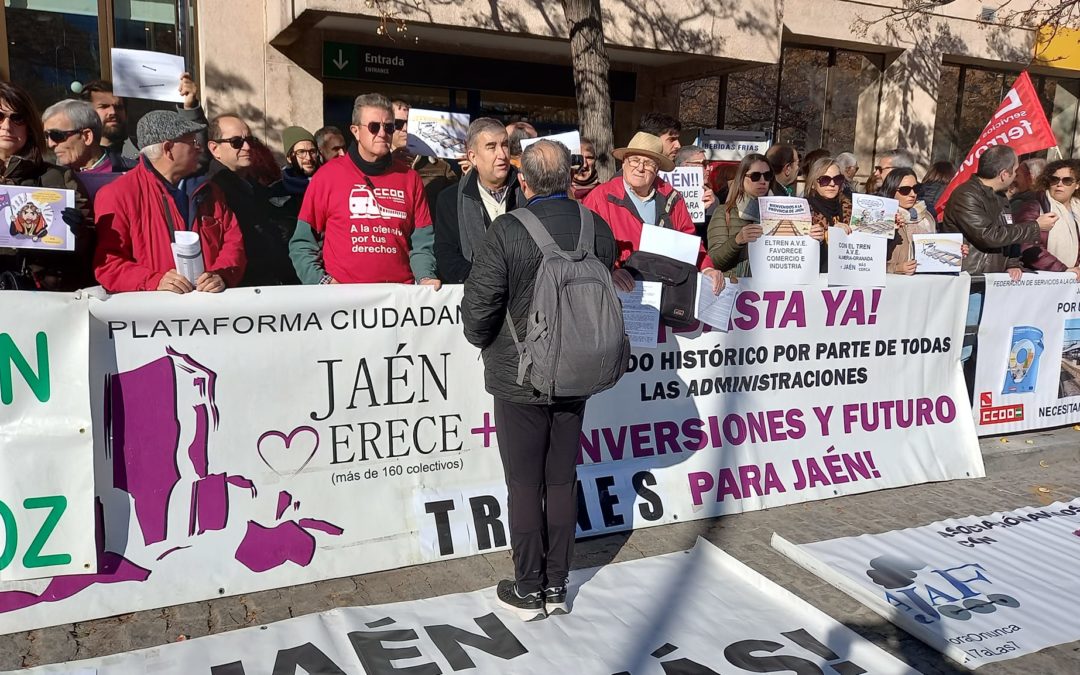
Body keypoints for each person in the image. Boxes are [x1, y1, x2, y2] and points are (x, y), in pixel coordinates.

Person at [461, 140, 618, 621]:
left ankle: (529, 588)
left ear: (522, 182)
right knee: (562, 479)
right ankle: (558, 585)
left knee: (525, 484)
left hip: (519, 378)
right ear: (571, 179)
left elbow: (477, 314)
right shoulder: (597, 227)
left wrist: (490, 342)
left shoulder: (507, 230)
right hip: (578, 373)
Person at [290, 93, 439, 287]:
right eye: (374, 127)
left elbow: (423, 242)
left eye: (389, 127)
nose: (382, 133)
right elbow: (302, 243)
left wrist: (425, 276)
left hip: (398, 299)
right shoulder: (326, 177)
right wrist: (322, 282)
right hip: (343, 301)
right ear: (355, 131)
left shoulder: (411, 179)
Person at [93, 110, 246, 293]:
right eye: (192, 142)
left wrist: (221, 275)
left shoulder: (210, 191)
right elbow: (109, 264)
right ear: (168, 149)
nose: (199, 148)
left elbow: (233, 241)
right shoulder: (117, 195)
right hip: (154, 316)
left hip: (210, 312)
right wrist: (153, 281)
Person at [582, 132, 724, 294]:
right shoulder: (601, 197)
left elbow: (689, 242)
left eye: (648, 163)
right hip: (616, 293)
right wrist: (609, 271)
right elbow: (586, 248)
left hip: (664, 293)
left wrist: (707, 269)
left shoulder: (672, 197)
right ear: (624, 162)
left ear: (657, 168)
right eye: (635, 160)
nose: (640, 168)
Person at [0, 82, 91, 291]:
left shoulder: (57, 177)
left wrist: (78, 232)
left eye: (17, 118)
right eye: (0, 116)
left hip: (40, 299)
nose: (6, 126)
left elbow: (88, 250)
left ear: (28, 126)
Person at [206, 114, 297, 286]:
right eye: (236, 142)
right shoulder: (211, 191)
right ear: (214, 148)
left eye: (250, 140)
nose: (247, 147)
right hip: (239, 291)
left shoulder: (254, 186)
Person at [941, 145, 1057, 279]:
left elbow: (1009, 230)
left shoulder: (1000, 196)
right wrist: (1035, 226)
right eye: (1015, 170)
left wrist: (1013, 262)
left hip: (994, 279)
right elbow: (988, 235)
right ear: (1004, 175)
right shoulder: (966, 195)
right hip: (970, 277)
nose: (1015, 175)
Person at [434, 117, 525, 283]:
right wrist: (486, 281)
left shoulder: (528, 190)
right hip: (475, 297)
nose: (502, 154)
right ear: (473, 156)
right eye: (491, 147)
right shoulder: (450, 199)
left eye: (505, 145)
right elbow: (446, 256)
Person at [706, 153, 772, 274]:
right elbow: (713, 261)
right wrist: (737, 240)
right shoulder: (724, 212)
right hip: (735, 287)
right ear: (742, 178)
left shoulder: (779, 212)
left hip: (769, 288)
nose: (763, 181)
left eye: (767, 176)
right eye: (755, 176)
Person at [1015, 159, 1080, 277]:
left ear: (1077, 185)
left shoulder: (1078, 209)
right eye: (1055, 179)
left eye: (1067, 180)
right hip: (1042, 280)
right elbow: (1027, 246)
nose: (1059, 184)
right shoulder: (1034, 206)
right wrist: (1062, 270)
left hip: (1073, 281)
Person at [390, 100, 458, 208]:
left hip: (428, 224)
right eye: (397, 124)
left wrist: (469, 175)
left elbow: (456, 202)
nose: (405, 128)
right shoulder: (377, 163)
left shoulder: (441, 166)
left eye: (410, 123)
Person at [41, 99, 124, 173]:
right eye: (46, 136)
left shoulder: (129, 172)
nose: (50, 144)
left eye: (56, 135)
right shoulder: (46, 176)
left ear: (87, 136)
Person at [879, 167, 936, 275]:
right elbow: (867, 260)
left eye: (916, 188)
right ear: (891, 190)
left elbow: (936, 251)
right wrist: (895, 268)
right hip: (892, 284)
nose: (912, 194)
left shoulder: (927, 217)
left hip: (924, 283)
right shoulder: (880, 216)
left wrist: (954, 250)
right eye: (905, 190)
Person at [804, 157, 846, 270]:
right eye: (824, 180)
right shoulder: (804, 210)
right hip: (815, 278)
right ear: (813, 184)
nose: (832, 184)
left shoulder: (850, 209)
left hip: (844, 276)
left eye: (837, 179)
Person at [270, 125, 321, 218]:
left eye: (312, 151)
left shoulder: (327, 185)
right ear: (289, 157)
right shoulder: (276, 192)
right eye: (301, 152)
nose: (308, 158)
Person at [674, 144, 717, 235]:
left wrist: (704, 210)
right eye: (704, 164)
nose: (708, 168)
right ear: (686, 166)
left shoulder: (712, 198)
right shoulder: (667, 193)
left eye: (708, 164)